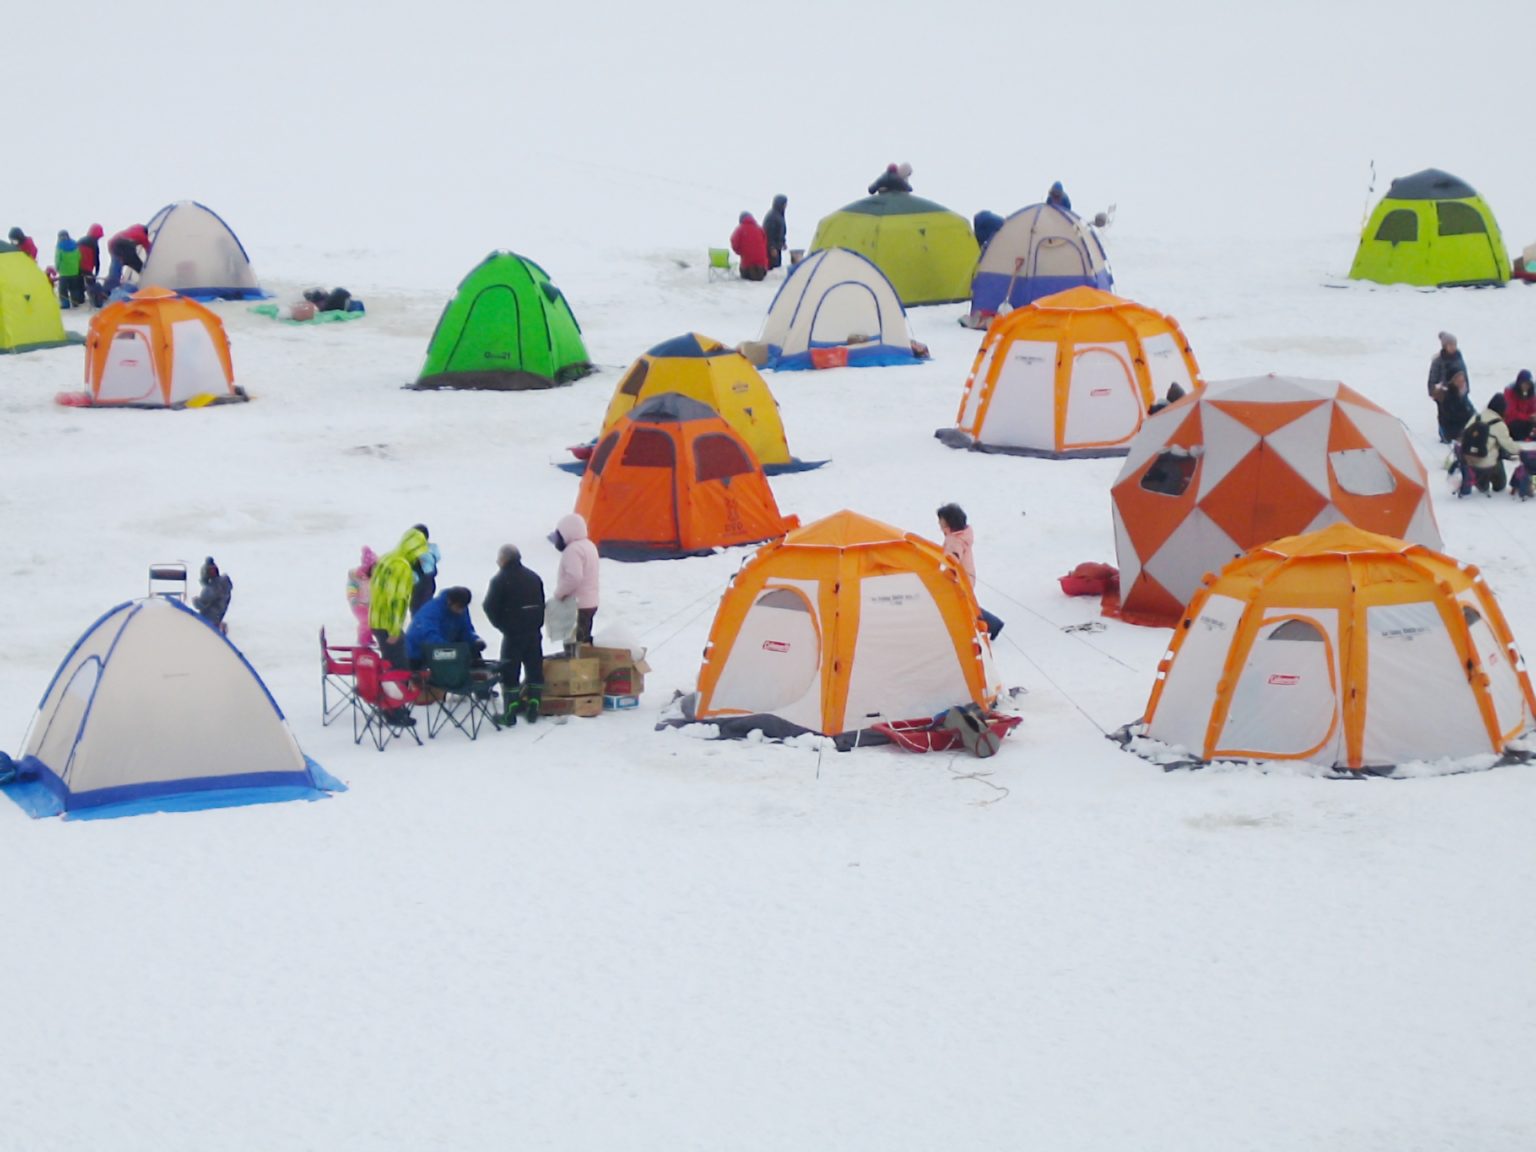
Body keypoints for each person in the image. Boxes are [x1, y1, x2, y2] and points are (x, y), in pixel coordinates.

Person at [484, 544, 546, 724]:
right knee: (534, 669)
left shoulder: (500, 580)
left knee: (510, 672)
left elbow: (489, 607)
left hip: (513, 634)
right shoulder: (534, 578)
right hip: (534, 632)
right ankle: (534, 707)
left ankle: (509, 713)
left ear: (504, 559)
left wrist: (502, 625)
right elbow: (542, 604)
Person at [936, 503, 1004, 640]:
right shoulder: (962, 535)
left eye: (941, 522)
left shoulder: (954, 541)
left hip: (960, 578)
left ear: (949, 524)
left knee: (965, 605)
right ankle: (989, 624)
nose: (939, 524)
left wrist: (947, 568)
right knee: (965, 604)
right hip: (967, 576)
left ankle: (992, 624)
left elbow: (953, 557)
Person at [370, 526, 432, 667]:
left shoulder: (387, 558)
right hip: (388, 623)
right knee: (400, 667)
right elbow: (398, 600)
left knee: (388, 662)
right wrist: (395, 630)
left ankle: (382, 687)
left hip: (376, 618)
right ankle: (394, 689)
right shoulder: (402, 566)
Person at [1456, 392, 1520, 497]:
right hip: (1486, 463)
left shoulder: (1477, 417)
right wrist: (1524, 451)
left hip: (1469, 459)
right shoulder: (1498, 424)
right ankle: (1490, 479)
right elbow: (1510, 447)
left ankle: (1478, 480)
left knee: (1483, 486)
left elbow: (1464, 436)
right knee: (1500, 485)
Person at [404, 586, 484, 668]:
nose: (461, 611)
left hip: (443, 649)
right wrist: (452, 651)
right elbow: (429, 636)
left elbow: (465, 630)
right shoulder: (431, 611)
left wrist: (475, 641)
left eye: (463, 607)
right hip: (418, 653)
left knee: (474, 658)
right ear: (450, 602)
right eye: (459, 607)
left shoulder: (461, 609)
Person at [552, 512, 600, 644]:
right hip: (590, 602)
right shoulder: (589, 546)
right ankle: (585, 663)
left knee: (573, 647)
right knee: (583, 642)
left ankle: (577, 664)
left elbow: (574, 577)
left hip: (576, 605)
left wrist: (559, 594)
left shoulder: (573, 550)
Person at [1428, 331, 1474, 445]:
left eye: (1454, 345)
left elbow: (1464, 373)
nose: (1453, 347)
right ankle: (1445, 435)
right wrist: (1434, 391)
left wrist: (1466, 388)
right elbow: (1432, 379)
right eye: (1451, 345)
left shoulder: (1458, 357)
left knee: (1464, 412)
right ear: (1445, 346)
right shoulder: (1438, 361)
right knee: (1444, 414)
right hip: (1443, 393)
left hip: (1459, 390)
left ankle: (1463, 432)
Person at [103, 223, 150, 294]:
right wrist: (150, 262)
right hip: (124, 245)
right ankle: (149, 283)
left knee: (115, 270)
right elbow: (149, 249)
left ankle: (106, 291)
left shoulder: (128, 232)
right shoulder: (142, 235)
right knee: (140, 267)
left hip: (113, 245)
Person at [345, 545, 378, 646]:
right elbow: (351, 588)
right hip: (359, 605)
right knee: (365, 622)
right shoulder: (356, 576)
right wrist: (353, 598)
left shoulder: (376, 577)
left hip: (371, 604)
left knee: (373, 621)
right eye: (375, 567)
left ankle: (369, 638)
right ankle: (363, 640)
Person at [193, 557, 233, 634]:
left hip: (208, 619)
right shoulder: (224, 584)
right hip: (218, 614)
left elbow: (201, 604)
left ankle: (217, 626)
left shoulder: (211, 589)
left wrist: (195, 601)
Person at [408, 524, 441, 616]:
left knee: (420, 608)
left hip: (424, 582)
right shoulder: (430, 549)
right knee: (418, 607)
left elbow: (429, 568)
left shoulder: (424, 550)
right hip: (424, 582)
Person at [730, 212, 769, 282]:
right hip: (762, 269)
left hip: (747, 268)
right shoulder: (760, 229)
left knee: (746, 267)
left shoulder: (740, 229)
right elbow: (765, 243)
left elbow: (734, 243)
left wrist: (740, 252)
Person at [1503, 370, 1536, 442]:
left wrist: (1533, 415)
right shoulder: (1510, 392)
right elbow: (1510, 412)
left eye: (1528, 384)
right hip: (1512, 422)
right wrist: (1528, 417)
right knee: (1516, 426)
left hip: (1526, 421)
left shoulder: (1531, 393)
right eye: (1525, 383)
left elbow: (1532, 407)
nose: (1526, 386)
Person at [54, 231, 84, 309]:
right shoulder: (74, 244)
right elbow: (79, 256)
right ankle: (75, 302)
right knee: (74, 288)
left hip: (64, 272)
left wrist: (57, 268)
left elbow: (58, 259)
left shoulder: (59, 246)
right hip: (74, 271)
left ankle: (65, 303)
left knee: (63, 290)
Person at [78, 224, 105, 306]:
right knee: (91, 284)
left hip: (77, 266)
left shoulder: (80, 240)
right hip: (87, 268)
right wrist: (97, 270)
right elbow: (96, 258)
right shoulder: (94, 243)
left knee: (79, 284)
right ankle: (95, 301)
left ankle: (79, 299)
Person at [762, 195, 788, 271]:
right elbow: (769, 234)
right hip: (772, 248)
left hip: (777, 246)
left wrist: (783, 241)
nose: (786, 206)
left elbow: (781, 230)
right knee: (773, 269)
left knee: (777, 267)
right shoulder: (772, 217)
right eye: (785, 204)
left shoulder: (780, 214)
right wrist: (772, 247)